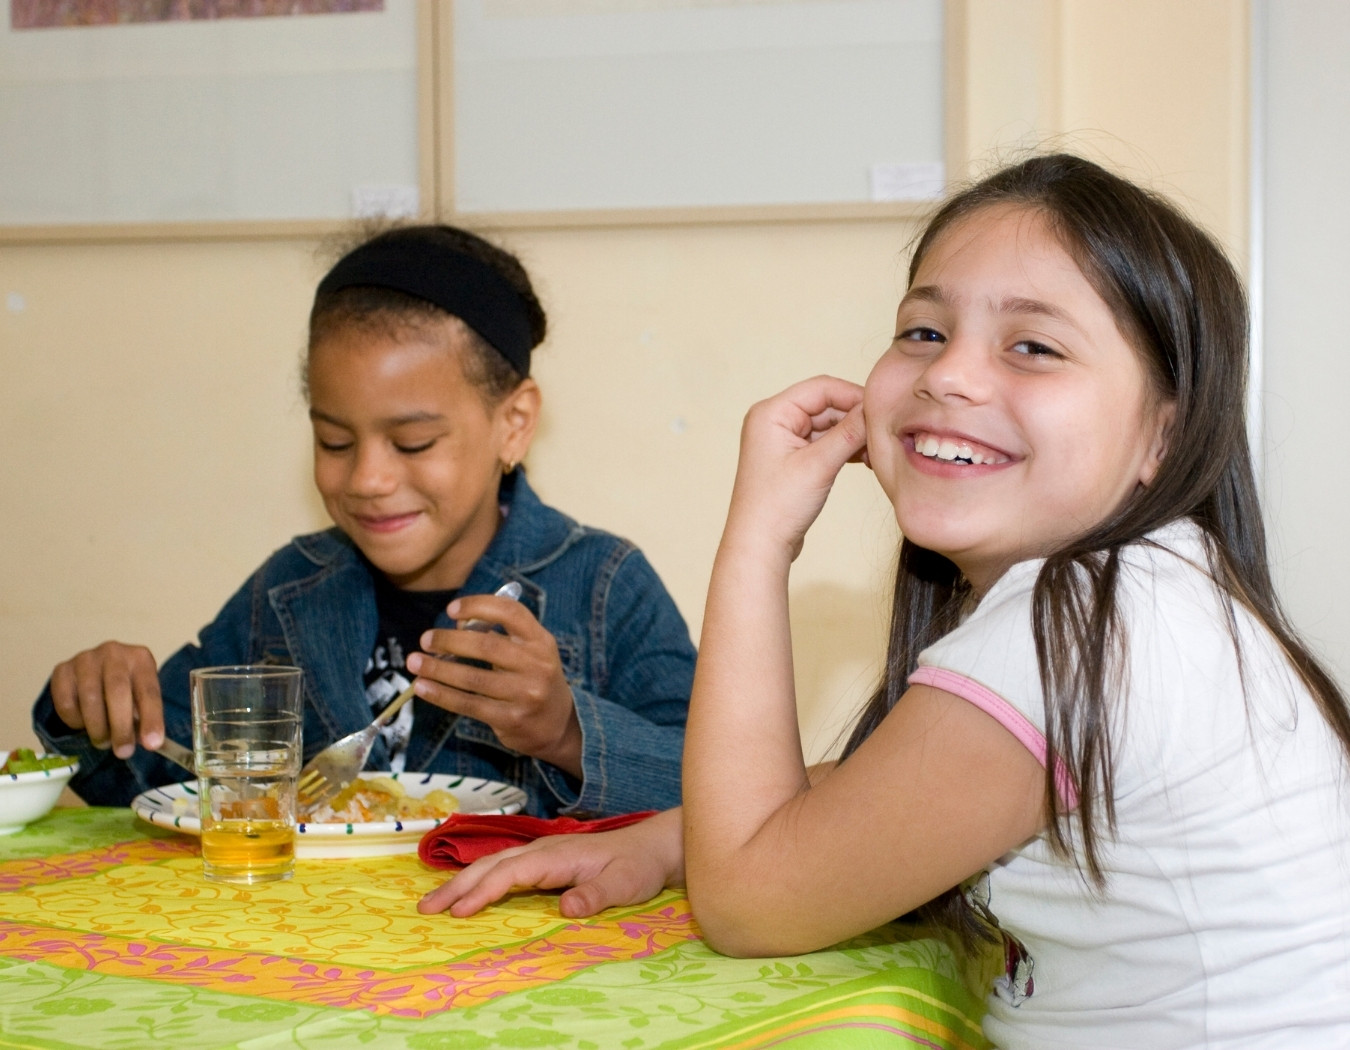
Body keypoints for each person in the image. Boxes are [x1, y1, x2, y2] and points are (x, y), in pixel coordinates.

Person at [418, 155, 1350, 1048]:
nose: (950, 375)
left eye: (1032, 346)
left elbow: (748, 905)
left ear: (1163, 432)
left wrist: (759, 540)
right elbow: (882, 796)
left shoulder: (1083, 622)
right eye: (924, 332)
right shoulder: (1154, 589)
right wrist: (667, 841)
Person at [33, 224, 696, 819]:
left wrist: (566, 732)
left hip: (513, 953)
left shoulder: (607, 586)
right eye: (335, 443)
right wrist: (90, 705)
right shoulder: (289, 593)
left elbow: (725, 794)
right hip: (317, 950)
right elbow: (153, 777)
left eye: (412, 444)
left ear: (513, 425)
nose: (368, 480)